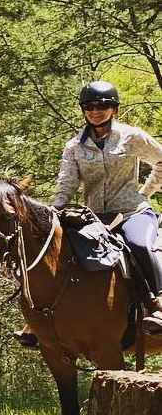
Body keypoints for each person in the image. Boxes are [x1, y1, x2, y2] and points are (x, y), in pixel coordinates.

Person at [50, 81, 162, 335]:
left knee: (140, 245)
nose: (95, 111)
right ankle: (40, 320)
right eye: (88, 106)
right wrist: (54, 210)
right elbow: (66, 183)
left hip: (132, 212)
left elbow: (161, 160)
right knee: (59, 252)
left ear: (114, 108)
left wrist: (144, 193)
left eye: (102, 106)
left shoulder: (131, 136)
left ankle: (158, 304)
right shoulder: (74, 146)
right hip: (94, 218)